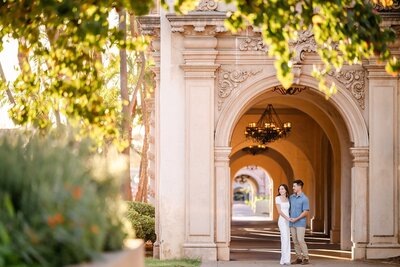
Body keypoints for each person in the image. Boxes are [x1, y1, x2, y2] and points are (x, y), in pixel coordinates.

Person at [289, 179, 310, 265]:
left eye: (294, 186)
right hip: (292, 223)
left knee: (301, 240)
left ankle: (306, 258)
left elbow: (306, 212)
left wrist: (296, 218)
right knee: (295, 241)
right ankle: (299, 257)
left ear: (299, 186)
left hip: (300, 222)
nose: (293, 187)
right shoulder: (291, 197)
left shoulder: (304, 199)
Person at [275, 184, 291, 265]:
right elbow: (279, 211)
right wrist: (287, 218)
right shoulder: (277, 198)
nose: (281, 190)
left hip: (288, 220)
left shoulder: (288, 198)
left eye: (282, 189)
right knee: (284, 238)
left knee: (287, 239)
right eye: (280, 189)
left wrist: (290, 218)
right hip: (282, 220)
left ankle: (287, 259)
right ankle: (283, 259)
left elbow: (290, 210)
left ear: (286, 190)